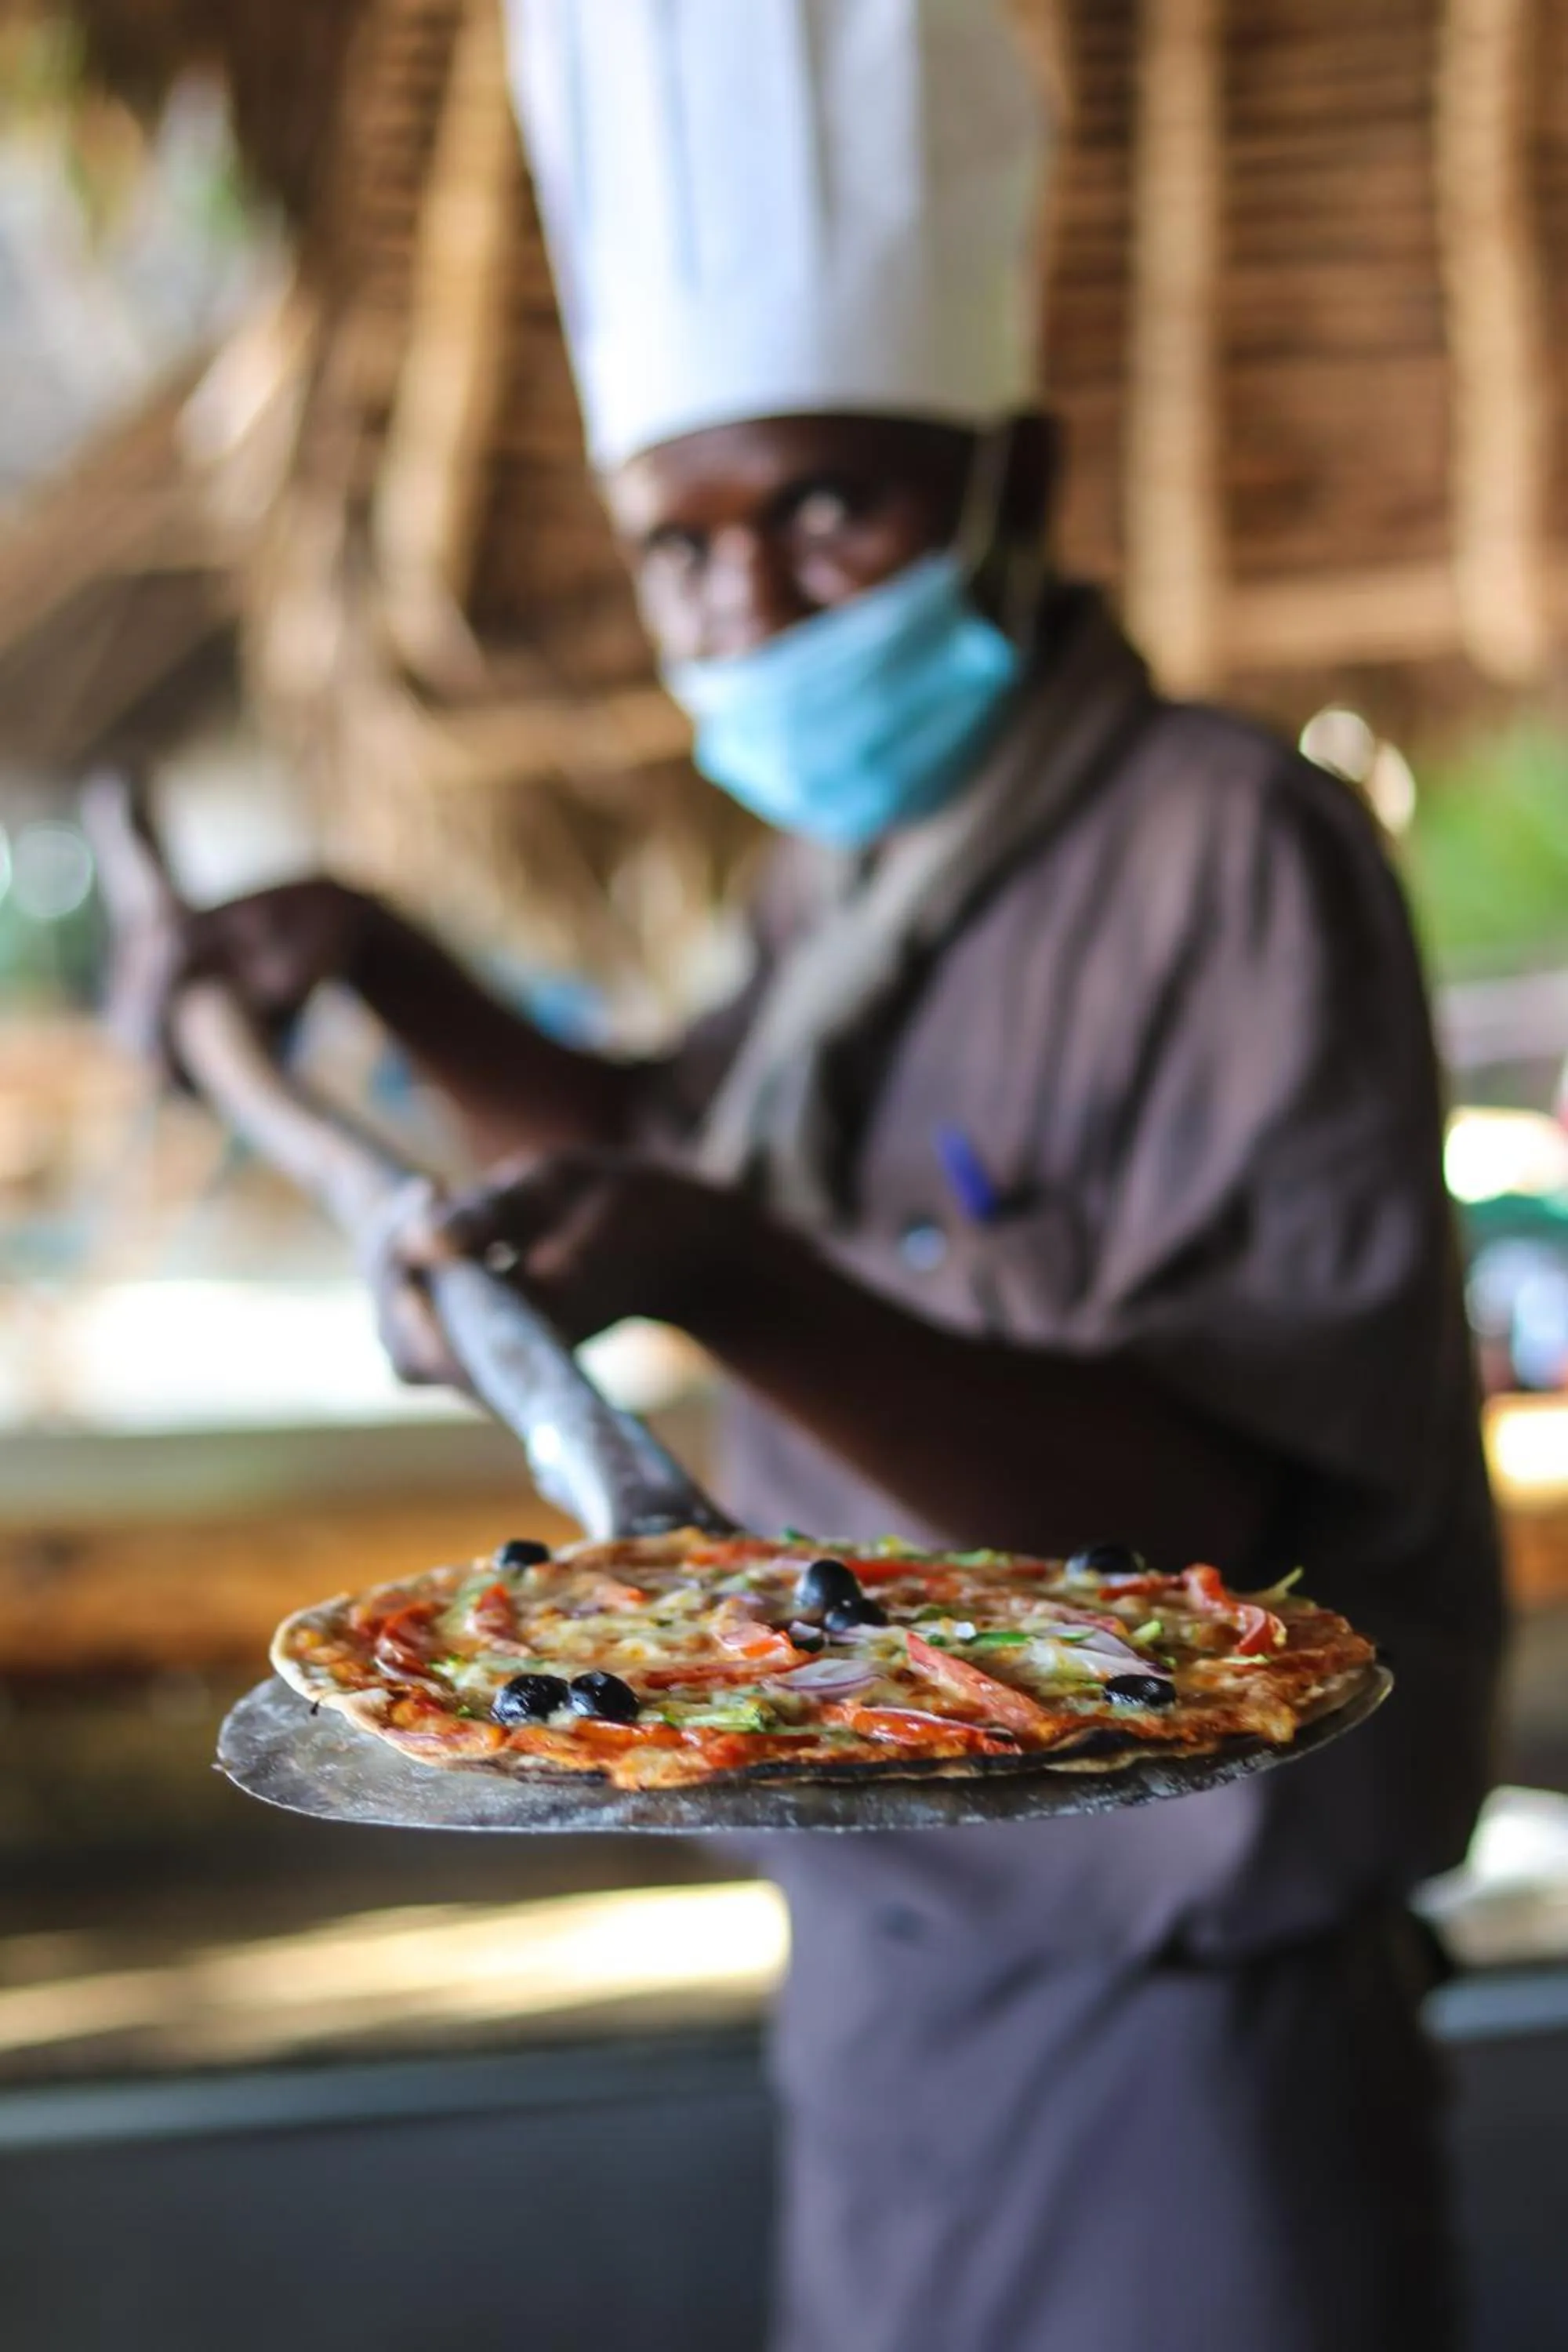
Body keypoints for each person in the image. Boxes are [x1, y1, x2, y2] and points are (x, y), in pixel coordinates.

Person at [131, 4, 1503, 2345]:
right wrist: (394, 980)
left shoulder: (1227, 852)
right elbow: (670, 1161)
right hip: (883, 1975)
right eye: (684, 544)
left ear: (1013, 471)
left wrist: (735, 1280)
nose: (749, 607)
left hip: (1184, 2001)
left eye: (828, 507)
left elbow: (1220, 1538)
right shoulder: (837, 884)